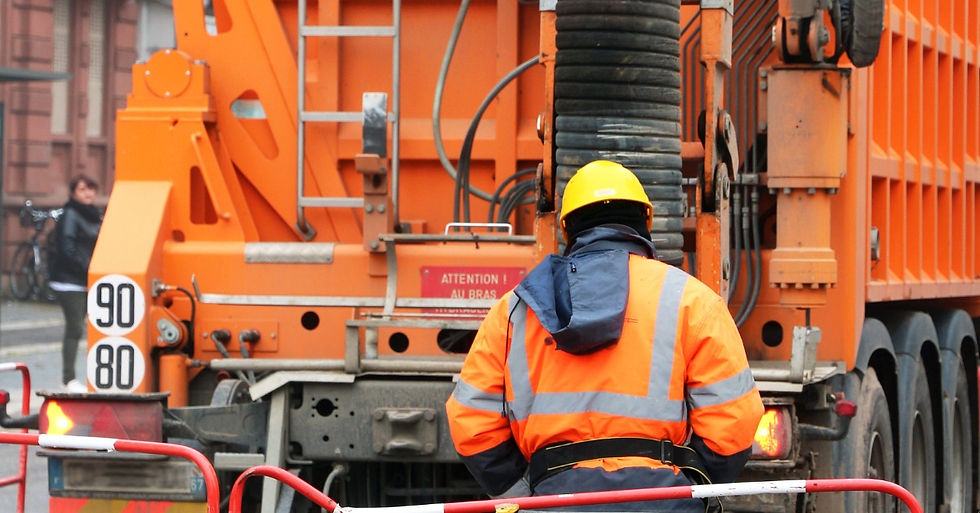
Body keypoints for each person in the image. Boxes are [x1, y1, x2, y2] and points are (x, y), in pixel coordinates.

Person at [445, 160, 763, 511]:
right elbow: (734, 422)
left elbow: (471, 420)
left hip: (554, 501)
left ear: (568, 229)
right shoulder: (692, 300)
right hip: (659, 501)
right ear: (645, 222)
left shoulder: (516, 309)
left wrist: (524, 495)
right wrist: (690, 487)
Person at [48, 174, 102, 393]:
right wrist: (88, 268)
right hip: (69, 281)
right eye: (82, 189)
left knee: (95, 327)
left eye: (91, 189)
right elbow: (67, 248)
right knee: (75, 328)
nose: (88, 193)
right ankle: (68, 379)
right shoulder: (71, 214)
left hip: (87, 279)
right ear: (73, 193)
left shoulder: (93, 215)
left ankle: (96, 376)